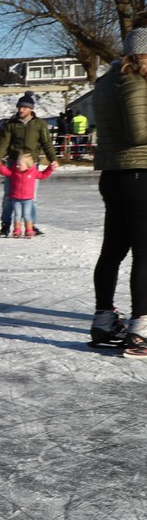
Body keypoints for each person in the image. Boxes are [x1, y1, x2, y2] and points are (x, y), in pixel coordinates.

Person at [87, 28, 147, 356]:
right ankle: (141, 330)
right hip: (139, 174)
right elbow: (138, 132)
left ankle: (103, 321)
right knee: (144, 253)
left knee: (112, 251)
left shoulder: (105, 82)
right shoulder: (134, 81)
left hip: (113, 175)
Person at [0, 93, 56, 237]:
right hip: (14, 163)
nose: (21, 110)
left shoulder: (39, 124)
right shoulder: (11, 124)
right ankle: (5, 226)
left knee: (31, 197)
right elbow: (4, 143)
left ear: (31, 109)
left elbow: (46, 143)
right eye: (19, 107)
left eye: (24, 108)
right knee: (9, 196)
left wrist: (52, 159)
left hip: (31, 164)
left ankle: (31, 225)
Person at [0, 153, 54, 239]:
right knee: (17, 214)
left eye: (20, 165)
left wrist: (50, 168)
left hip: (28, 200)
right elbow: (6, 172)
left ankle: (29, 230)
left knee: (27, 214)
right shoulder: (14, 172)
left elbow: (43, 175)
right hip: (16, 199)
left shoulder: (33, 172)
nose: (17, 166)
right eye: (17, 164)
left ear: (27, 166)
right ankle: (17, 230)